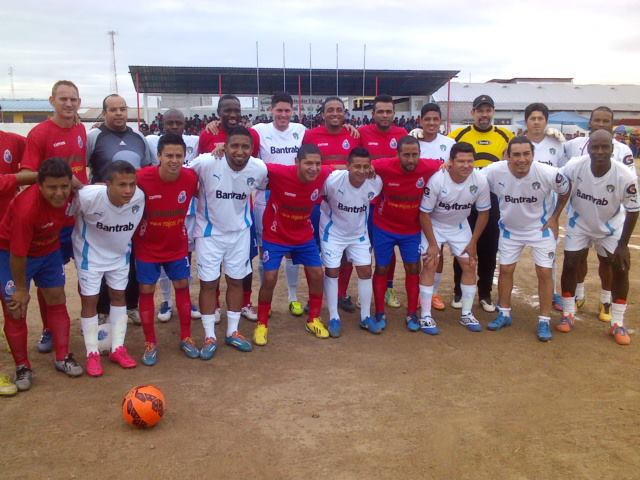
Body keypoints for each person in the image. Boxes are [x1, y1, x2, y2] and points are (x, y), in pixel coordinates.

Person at [0, 159, 84, 392]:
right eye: (52, 188)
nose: (59, 193)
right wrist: (20, 289)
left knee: (57, 298)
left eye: (64, 186)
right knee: (16, 308)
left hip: (48, 249)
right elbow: (18, 254)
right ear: (39, 185)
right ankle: (22, 366)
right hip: (11, 254)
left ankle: (63, 356)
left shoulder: (74, 193)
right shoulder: (26, 209)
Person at [20, 80, 88, 354]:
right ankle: (49, 328)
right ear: (52, 101)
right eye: (63, 99)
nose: (69, 104)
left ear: (79, 102)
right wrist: (65, 180)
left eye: (73, 99)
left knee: (88, 272)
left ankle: (90, 320)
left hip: (79, 216)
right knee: (48, 279)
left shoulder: (81, 128)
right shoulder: (40, 133)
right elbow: (26, 174)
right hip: (52, 220)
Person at [190, 126, 267, 358]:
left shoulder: (259, 168)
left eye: (245, 147)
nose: (240, 151)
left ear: (252, 149)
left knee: (236, 280)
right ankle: (209, 336)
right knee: (208, 283)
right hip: (209, 234)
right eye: (234, 146)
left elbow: (268, 185)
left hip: (240, 234)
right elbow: (180, 176)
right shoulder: (206, 162)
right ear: (225, 146)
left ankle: (233, 331)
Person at [483, 137, 571, 341]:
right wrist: (447, 166)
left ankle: (544, 320)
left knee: (544, 272)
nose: (522, 159)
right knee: (506, 269)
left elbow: (566, 189)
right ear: (507, 156)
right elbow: (472, 178)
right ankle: (504, 313)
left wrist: (555, 217)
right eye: (516, 154)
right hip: (510, 230)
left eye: (526, 154)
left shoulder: (548, 173)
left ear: (533, 155)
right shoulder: (494, 171)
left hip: (540, 229)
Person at [558, 130, 638, 346]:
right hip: (579, 224)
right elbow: (559, 185)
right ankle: (568, 313)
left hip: (611, 228)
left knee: (621, 268)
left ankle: (617, 322)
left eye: (605, 147)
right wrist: (554, 217)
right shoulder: (575, 166)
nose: (600, 151)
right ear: (588, 148)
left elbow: (633, 210)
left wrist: (623, 245)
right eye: (595, 147)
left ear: (612, 149)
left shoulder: (625, 176)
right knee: (570, 263)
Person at [253, 144, 334, 346]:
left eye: (317, 163)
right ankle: (262, 323)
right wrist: (221, 150)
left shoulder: (324, 173)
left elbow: (345, 168)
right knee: (270, 277)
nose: (313, 168)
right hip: (275, 234)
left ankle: (313, 319)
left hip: (303, 235)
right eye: (308, 163)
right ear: (297, 162)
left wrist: (370, 168)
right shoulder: (279, 172)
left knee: (317, 274)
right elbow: (251, 163)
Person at [71, 161, 145, 376]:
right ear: (107, 184)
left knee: (119, 296)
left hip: (119, 255)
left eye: (132, 184)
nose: (128, 190)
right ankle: (92, 353)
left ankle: (117, 348)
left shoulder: (139, 197)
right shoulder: (87, 197)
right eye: (122, 185)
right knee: (90, 300)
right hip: (90, 256)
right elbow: (66, 213)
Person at [87, 94, 153, 326]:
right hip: (104, 209)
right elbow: (82, 166)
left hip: (132, 208)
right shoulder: (94, 136)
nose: (118, 113)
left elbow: (148, 168)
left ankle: (131, 305)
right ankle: (102, 309)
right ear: (104, 112)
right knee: (103, 257)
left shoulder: (138, 137)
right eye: (113, 109)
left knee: (132, 256)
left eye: (122, 109)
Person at [134, 133, 198, 365]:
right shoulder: (141, 178)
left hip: (176, 244)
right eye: (169, 155)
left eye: (178, 156)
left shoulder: (191, 177)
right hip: (147, 246)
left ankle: (186, 337)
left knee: (182, 285)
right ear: (159, 156)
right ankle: (150, 342)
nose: (174, 160)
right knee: (147, 290)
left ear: (185, 156)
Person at [448, 95, 514, 312]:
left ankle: (485, 293)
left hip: (493, 199)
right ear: (473, 113)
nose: (484, 115)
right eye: (480, 111)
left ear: (493, 112)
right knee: (463, 244)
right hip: (464, 199)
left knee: (488, 247)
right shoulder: (458, 135)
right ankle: (459, 291)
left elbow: (519, 157)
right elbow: (443, 156)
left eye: (488, 110)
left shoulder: (506, 135)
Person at [199, 95, 260, 322]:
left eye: (236, 110)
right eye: (227, 110)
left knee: (245, 261)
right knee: (212, 266)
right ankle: (214, 305)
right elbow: (200, 168)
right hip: (214, 211)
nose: (233, 114)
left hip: (241, 209)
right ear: (218, 112)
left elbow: (254, 165)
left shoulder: (252, 135)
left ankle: (245, 302)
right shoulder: (208, 134)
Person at [419, 142, 490, 334]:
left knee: (470, 264)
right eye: (461, 161)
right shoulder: (437, 180)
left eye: (470, 161)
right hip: (434, 224)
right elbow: (424, 213)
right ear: (451, 161)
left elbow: (484, 213)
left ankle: (466, 313)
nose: (466, 165)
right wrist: (433, 244)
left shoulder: (480, 180)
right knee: (430, 263)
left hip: (459, 225)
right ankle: (425, 315)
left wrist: (473, 242)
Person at [371, 136, 441, 331]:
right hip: (384, 227)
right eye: (406, 155)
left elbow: (448, 165)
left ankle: (411, 314)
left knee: (413, 268)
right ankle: (379, 313)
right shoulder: (384, 165)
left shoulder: (429, 166)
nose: (411, 160)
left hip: (411, 229)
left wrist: (449, 165)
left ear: (420, 154)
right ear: (397, 154)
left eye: (414, 155)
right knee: (382, 268)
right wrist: (369, 169)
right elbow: (363, 166)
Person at [303, 97, 361, 313]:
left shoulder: (354, 135)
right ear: (323, 114)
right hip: (318, 202)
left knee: (345, 252)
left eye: (339, 109)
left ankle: (340, 294)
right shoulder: (311, 135)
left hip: (346, 204)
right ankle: (315, 296)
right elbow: (306, 165)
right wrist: (339, 168)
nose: (335, 113)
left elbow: (361, 165)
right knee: (315, 253)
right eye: (330, 110)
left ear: (345, 113)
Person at [252, 93, 307, 317]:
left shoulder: (301, 130)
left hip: (293, 197)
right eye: (279, 110)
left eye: (287, 110)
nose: (283, 115)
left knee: (292, 249)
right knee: (264, 249)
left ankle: (293, 297)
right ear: (271, 110)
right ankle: (267, 300)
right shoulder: (258, 131)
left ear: (292, 111)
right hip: (265, 196)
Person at [320, 147, 382, 336]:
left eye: (365, 166)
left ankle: (365, 317)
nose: (361, 171)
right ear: (348, 166)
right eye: (357, 166)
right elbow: (319, 196)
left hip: (358, 234)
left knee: (365, 270)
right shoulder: (333, 180)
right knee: (332, 271)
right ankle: (334, 317)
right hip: (333, 232)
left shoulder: (375, 182)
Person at [146, 109, 201, 323]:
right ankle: (167, 301)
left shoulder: (194, 141)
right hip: (161, 209)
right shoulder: (151, 141)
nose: (175, 126)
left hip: (188, 211)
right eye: (170, 123)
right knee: (162, 259)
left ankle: (186, 299)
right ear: (162, 123)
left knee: (185, 259)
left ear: (185, 124)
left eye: (179, 122)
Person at [358, 94, 408, 310]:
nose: (385, 115)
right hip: (366, 200)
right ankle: (365, 290)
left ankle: (388, 288)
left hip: (390, 200)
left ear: (394, 114)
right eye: (380, 111)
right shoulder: (362, 132)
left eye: (388, 111)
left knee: (387, 249)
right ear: (373, 114)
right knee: (364, 247)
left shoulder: (402, 134)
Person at [410, 103, 456, 311]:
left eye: (435, 119)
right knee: (417, 250)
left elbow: (455, 168)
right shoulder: (413, 140)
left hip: (438, 205)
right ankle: (418, 291)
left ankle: (433, 292)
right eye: (427, 119)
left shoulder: (450, 143)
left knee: (437, 249)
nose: (431, 123)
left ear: (440, 121)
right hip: (414, 200)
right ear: (420, 120)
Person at [523, 102, 567, 311]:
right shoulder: (519, 143)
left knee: (549, 253)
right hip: (520, 205)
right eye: (532, 118)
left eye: (540, 118)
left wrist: (556, 215)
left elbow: (564, 175)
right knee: (506, 255)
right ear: (526, 121)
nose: (536, 122)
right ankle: (501, 298)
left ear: (546, 121)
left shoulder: (557, 144)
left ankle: (554, 293)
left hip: (547, 209)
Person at [0, 129, 28, 395]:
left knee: (13, 305)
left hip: (5, 241)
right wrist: (18, 178)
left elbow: (38, 153)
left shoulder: (13, 141)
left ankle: (22, 365)